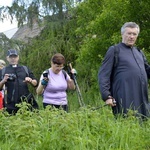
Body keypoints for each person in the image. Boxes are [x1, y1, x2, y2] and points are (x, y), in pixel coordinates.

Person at [98, 22, 150, 118]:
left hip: (142, 97)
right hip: (124, 96)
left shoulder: (139, 52)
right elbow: (103, 74)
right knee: (127, 123)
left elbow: (148, 71)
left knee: (144, 124)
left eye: (134, 34)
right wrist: (106, 96)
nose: (131, 36)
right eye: (129, 33)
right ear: (122, 34)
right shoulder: (114, 50)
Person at [0, 49, 38, 114]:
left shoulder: (25, 69)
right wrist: (3, 81)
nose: (13, 59)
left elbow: (35, 83)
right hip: (10, 103)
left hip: (26, 102)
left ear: (18, 57)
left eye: (15, 56)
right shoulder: (3, 71)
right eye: (11, 57)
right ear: (7, 58)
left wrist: (30, 80)